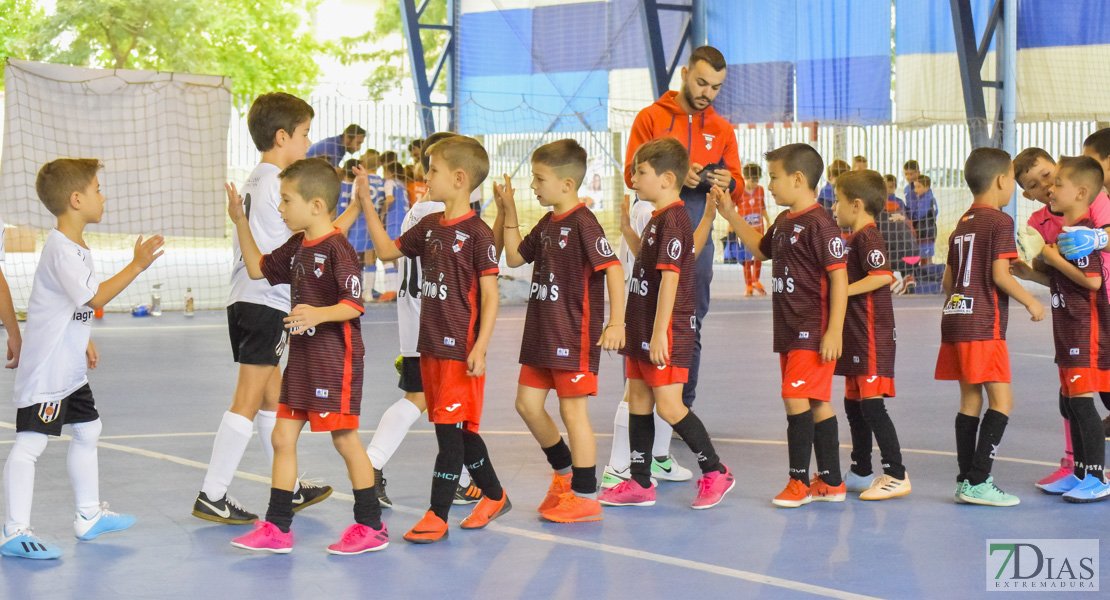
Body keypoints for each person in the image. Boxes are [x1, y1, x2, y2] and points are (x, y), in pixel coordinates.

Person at [1, 158, 164, 559]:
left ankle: (88, 515)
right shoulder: (62, 250)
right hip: (48, 370)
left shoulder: (75, 246)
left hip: (69, 364)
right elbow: (94, 297)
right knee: (30, 444)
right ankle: (13, 531)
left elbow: (74, 305)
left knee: (89, 429)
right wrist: (138, 264)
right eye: (96, 189)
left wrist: (82, 334)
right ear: (76, 199)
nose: (101, 195)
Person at [226, 158, 387, 554]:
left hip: (335, 362)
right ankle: (278, 528)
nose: (280, 208)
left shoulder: (339, 249)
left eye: (286, 200)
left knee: (345, 439)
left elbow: (354, 304)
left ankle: (371, 527)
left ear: (315, 205)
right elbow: (257, 268)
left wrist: (318, 313)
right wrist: (239, 221)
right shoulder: (298, 246)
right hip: (301, 360)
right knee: (282, 436)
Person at [360, 135, 510, 544]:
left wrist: (480, 347)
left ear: (459, 179)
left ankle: (437, 515)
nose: (426, 177)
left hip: (459, 352)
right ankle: (494, 496)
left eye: (433, 170)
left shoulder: (476, 233)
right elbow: (387, 251)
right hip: (429, 346)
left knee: (448, 436)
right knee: (460, 434)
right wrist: (366, 206)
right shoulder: (428, 225)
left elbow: (491, 295)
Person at [193, 93, 331, 526]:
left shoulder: (257, 178)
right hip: (264, 301)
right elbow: (301, 239)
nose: (308, 143)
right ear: (282, 136)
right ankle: (212, 494)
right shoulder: (279, 184)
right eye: (305, 134)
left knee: (275, 397)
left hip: (247, 298)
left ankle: (286, 488)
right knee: (248, 400)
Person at [493, 139, 626, 523]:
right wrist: (510, 212)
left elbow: (613, 269)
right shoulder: (549, 222)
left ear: (567, 185)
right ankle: (565, 474)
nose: (534, 185)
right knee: (527, 406)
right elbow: (515, 256)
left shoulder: (584, 222)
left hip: (572, 336)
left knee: (573, 413)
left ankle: (585, 496)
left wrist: (616, 322)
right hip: (540, 335)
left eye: (539, 179)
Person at [598, 137, 735, 510]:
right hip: (642, 324)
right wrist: (627, 229)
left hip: (666, 329)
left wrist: (660, 333)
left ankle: (716, 472)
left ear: (666, 178)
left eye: (641, 171)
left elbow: (673, 277)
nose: (634, 176)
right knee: (640, 400)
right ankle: (640, 483)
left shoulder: (672, 218)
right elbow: (668, 254)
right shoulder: (662, 218)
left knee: (670, 406)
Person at [720, 143, 848, 508]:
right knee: (816, 402)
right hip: (788, 330)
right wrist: (730, 215)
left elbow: (838, 279)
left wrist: (834, 330)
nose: (770, 186)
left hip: (813, 329)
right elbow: (761, 251)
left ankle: (798, 482)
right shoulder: (783, 221)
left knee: (794, 397)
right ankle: (832, 482)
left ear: (798, 178)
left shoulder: (821, 223)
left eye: (774, 178)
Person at [622, 45, 745, 411]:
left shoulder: (722, 129)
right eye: (702, 82)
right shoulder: (650, 117)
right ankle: (637, 402)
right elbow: (632, 173)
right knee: (643, 311)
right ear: (685, 75)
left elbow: (737, 178)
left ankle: (679, 407)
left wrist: (727, 180)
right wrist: (676, 177)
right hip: (653, 219)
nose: (708, 93)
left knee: (690, 316)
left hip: (695, 221)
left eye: (716, 87)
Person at [935, 147, 1044, 507]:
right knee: (1003, 400)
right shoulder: (1000, 222)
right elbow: (999, 275)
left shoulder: (960, 224)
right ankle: (979, 481)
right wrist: (1030, 299)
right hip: (983, 325)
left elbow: (949, 284)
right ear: (1001, 180)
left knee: (970, 398)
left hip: (954, 320)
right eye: (1014, 179)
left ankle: (965, 478)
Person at [1012, 156, 1110, 503]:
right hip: (1067, 326)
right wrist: (1032, 274)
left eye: (1057, 184)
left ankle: (1097, 477)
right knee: (1070, 403)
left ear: (1081, 193)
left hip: (1086, 329)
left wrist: (1053, 259)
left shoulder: (1081, 233)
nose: (1051, 190)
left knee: (1083, 404)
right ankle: (1080, 471)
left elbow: (1093, 281)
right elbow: (1062, 281)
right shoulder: (1057, 230)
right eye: (1041, 185)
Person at [601, 194, 690, 490]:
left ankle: (655, 458)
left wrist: (707, 220)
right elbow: (658, 269)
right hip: (647, 316)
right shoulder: (649, 212)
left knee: (652, 394)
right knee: (643, 394)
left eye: (640, 170)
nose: (634, 176)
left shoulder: (662, 215)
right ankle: (620, 465)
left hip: (647, 314)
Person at [830, 170, 909, 500]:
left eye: (838, 201)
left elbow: (881, 276)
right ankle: (862, 469)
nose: (834, 208)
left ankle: (896, 473)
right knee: (854, 404)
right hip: (855, 336)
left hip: (872, 336)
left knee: (872, 407)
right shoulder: (853, 238)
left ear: (856, 204)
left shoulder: (868, 237)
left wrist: (842, 291)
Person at [733, 163, 770, 296]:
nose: (755, 183)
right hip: (745, 231)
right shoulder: (739, 192)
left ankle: (756, 281)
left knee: (759, 255)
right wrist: (731, 226)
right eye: (752, 180)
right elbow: (732, 210)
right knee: (747, 259)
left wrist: (768, 220)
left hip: (758, 229)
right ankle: (748, 284)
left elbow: (763, 207)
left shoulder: (760, 190)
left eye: (757, 181)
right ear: (745, 178)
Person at [377, 160, 410, 303]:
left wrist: (382, 213)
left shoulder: (389, 182)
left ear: (388, 172)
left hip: (394, 221)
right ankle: (400, 289)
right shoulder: (403, 185)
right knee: (399, 257)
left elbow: (390, 199)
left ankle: (391, 290)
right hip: (405, 221)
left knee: (387, 255)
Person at [907, 174, 938, 258]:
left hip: (926, 233)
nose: (916, 190)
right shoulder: (923, 198)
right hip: (925, 233)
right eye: (915, 187)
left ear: (927, 187)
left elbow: (918, 215)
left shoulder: (926, 199)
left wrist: (908, 216)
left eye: (918, 187)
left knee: (926, 260)